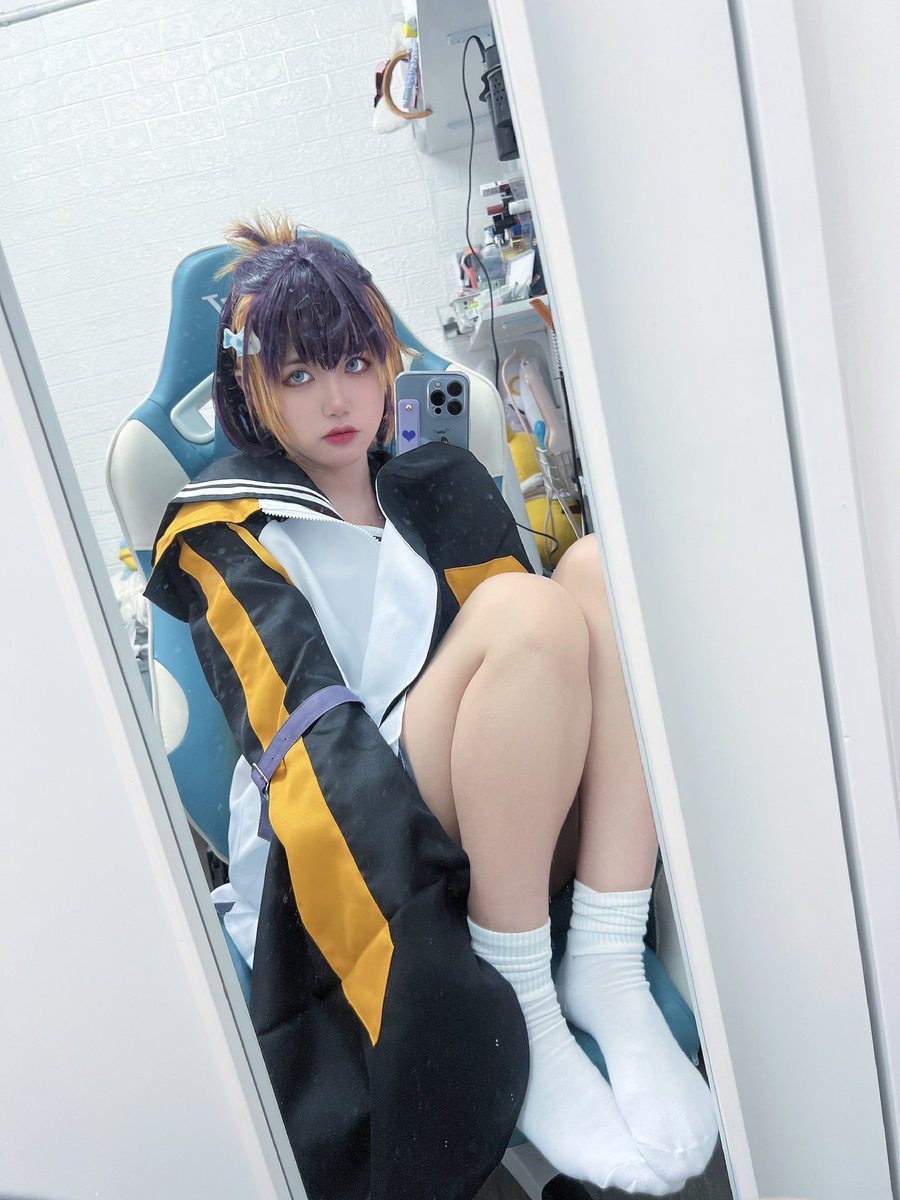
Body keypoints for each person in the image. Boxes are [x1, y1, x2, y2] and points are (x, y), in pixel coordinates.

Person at [147, 217, 718, 1199]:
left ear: (386, 364)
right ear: (251, 390)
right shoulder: (224, 528)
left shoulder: (430, 480)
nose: (337, 398)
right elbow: (305, 733)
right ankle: (519, 993)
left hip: (486, 800)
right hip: (349, 827)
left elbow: (543, 679)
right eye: (298, 375)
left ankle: (606, 958)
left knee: (597, 569)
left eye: (354, 362)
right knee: (527, 610)